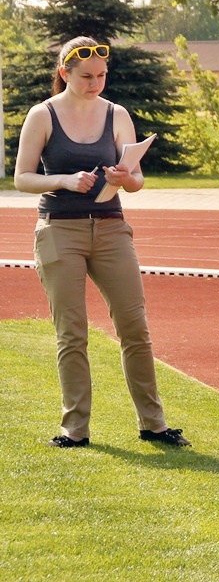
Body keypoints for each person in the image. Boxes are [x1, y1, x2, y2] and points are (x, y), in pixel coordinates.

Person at [13, 36, 190, 448]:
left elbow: (138, 182)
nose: (96, 84)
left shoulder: (117, 114)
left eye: (102, 76)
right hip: (59, 229)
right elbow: (22, 177)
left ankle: (154, 425)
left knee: (135, 328)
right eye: (87, 76)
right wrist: (64, 179)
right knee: (71, 334)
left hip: (111, 228)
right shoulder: (42, 115)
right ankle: (75, 430)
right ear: (65, 73)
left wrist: (124, 177)